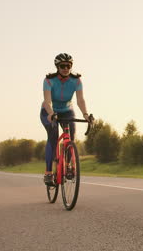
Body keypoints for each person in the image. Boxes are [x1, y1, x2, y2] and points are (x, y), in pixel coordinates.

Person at [40, 53, 91, 185]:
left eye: (69, 66)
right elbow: (47, 101)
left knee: (71, 136)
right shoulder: (49, 80)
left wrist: (86, 114)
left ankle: (68, 166)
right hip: (49, 111)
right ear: (57, 67)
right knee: (53, 136)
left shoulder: (76, 81)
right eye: (62, 66)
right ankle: (48, 173)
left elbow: (80, 100)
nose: (66, 68)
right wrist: (51, 113)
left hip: (67, 111)